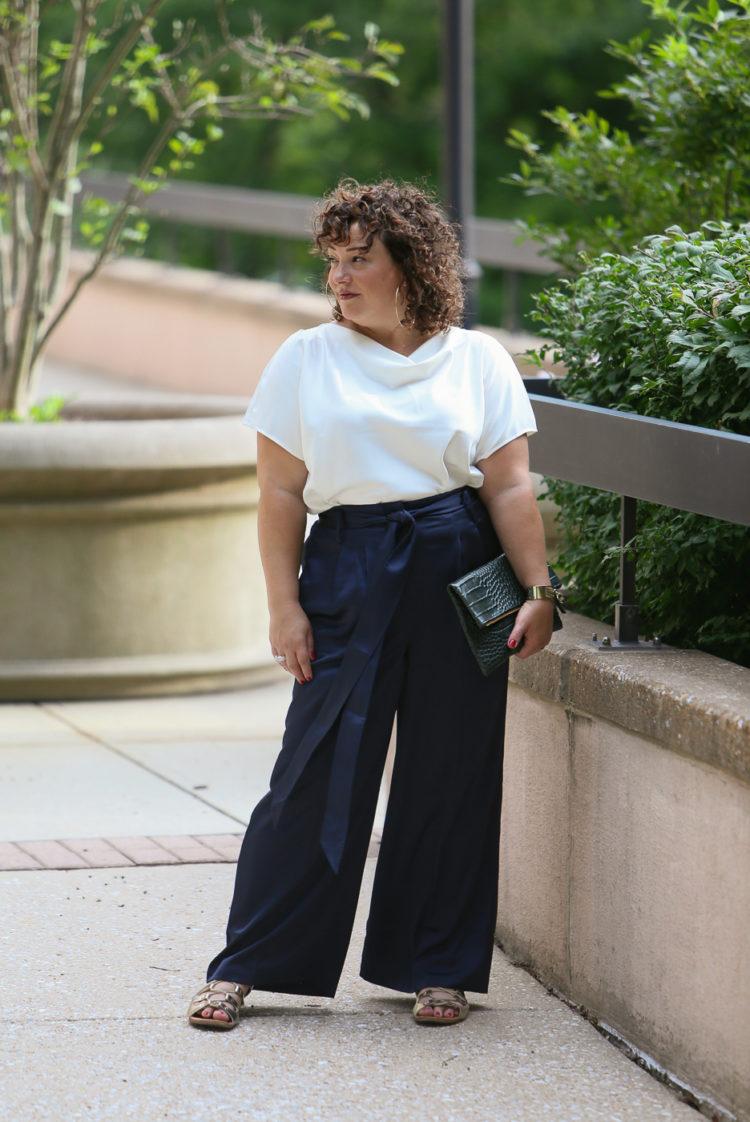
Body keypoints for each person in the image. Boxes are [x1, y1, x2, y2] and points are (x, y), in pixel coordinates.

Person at [187, 178, 555, 1030]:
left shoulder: (479, 359)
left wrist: (538, 591)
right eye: (333, 261)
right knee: (313, 772)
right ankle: (246, 964)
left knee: (453, 770)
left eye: (360, 260)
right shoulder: (304, 358)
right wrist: (286, 607)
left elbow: (508, 486)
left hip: (464, 562)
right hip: (350, 563)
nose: (340, 279)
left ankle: (437, 967)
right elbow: (280, 493)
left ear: (412, 266)